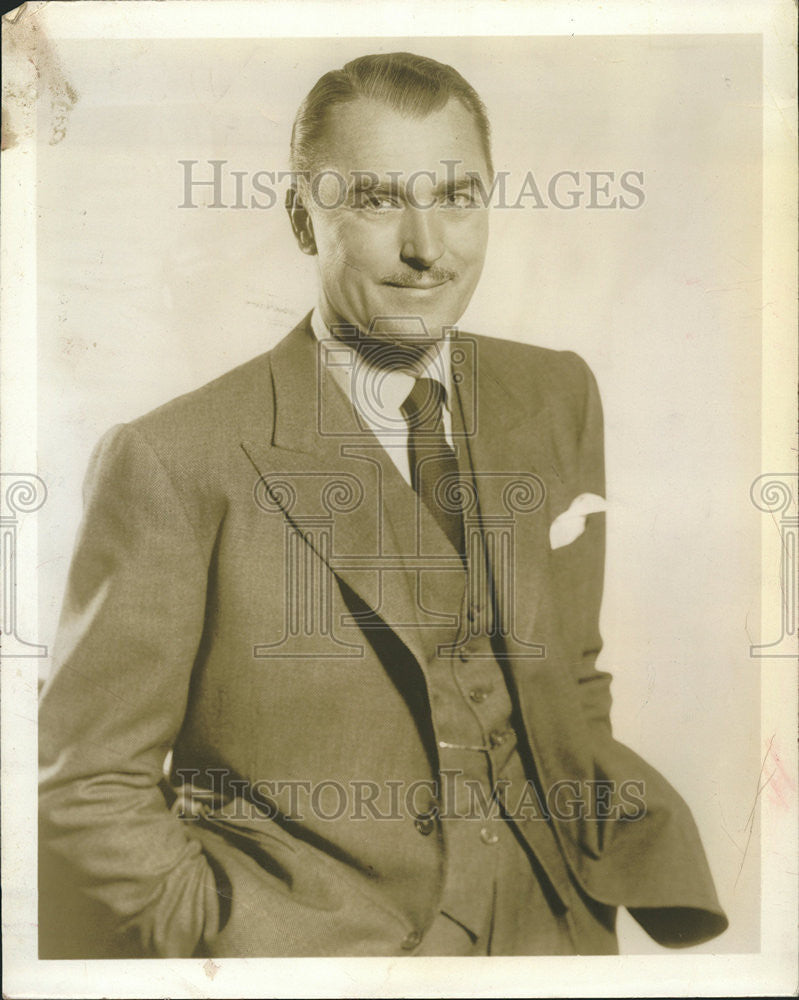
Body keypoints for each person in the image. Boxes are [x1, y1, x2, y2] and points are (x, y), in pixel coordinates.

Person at [38, 51, 727, 958]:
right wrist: (233, 943)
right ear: (301, 218)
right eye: (374, 199)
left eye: (455, 196)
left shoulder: (554, 393)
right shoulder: (172, 459)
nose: (426, 246)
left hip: (562, 934)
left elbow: (568, 672)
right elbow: (85, 786)